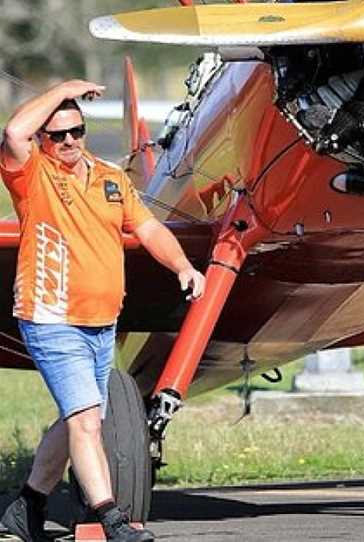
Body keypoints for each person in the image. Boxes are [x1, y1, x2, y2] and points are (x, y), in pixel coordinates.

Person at [0, 80, 206, 541]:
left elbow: (149, 228)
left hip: (101, 322)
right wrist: (63, 89)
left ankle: (27, 505)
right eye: (58, 135)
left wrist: (183, 267)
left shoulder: (112, 178)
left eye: (77, 131)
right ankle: (112, 519)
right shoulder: (33, 175)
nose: (70, 141)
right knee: (87, 422)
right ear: (44, 142)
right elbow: (14, 133)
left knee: (78, 418)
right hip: (52, 317)